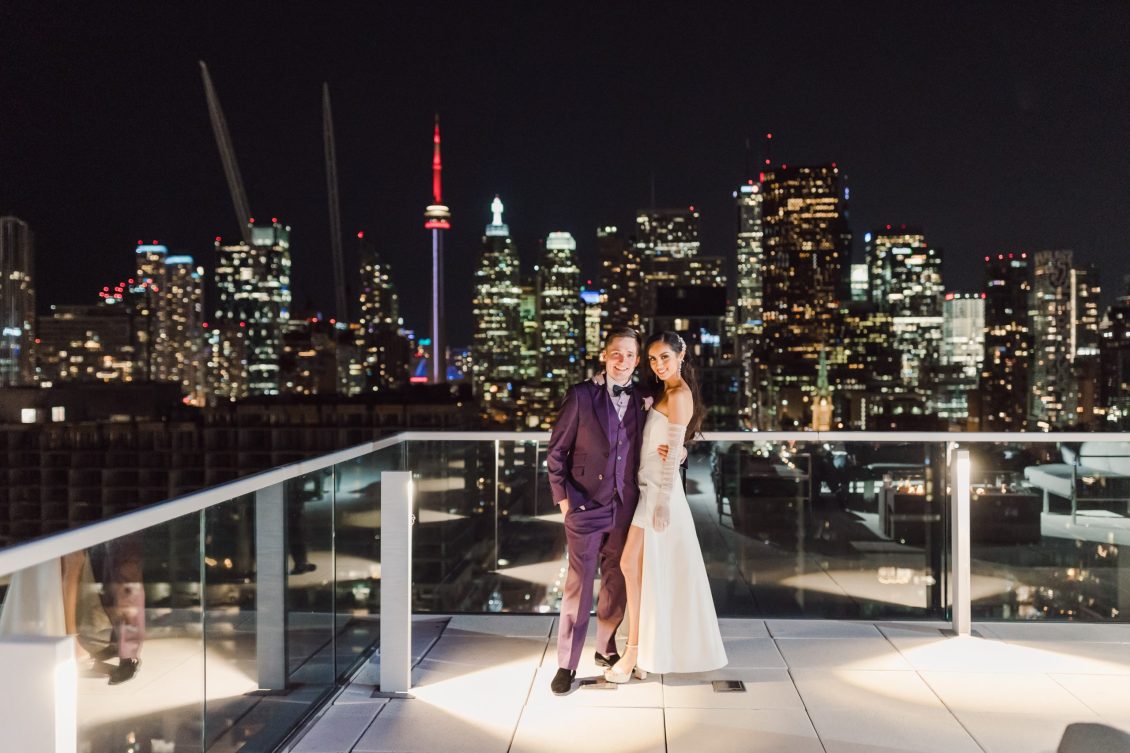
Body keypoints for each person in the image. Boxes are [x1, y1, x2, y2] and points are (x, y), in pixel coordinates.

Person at [604, 331, 726, 682]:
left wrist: (662, 504)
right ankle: (645, 651)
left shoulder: (679, 395)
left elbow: (672, 455)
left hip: (659, 495)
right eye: (654, 359)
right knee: (647, 572)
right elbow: (671, 447)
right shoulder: (662, 391)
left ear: (681, 356)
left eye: (665, 358)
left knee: (631, 564)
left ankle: (633, 652)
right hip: (647, 489)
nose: (658, 365)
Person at [545, 326, 648, 695]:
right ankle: (566, 663)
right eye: (616, 353)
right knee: (578, 584)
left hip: (626, 507)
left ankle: (606, 647)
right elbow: (556, 452)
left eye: (630, 355)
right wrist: (565, 502)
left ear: (638, 360)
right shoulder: (580, 395)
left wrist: (680, 453)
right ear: (604, 355)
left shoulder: (644, 399)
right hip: (584, 506)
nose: (622, 360)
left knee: (617, 579)